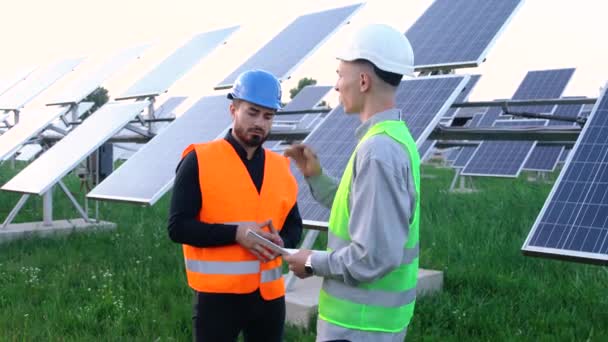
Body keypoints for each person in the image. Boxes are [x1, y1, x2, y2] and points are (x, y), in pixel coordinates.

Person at [284, 23, 420, 341]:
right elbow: (365, 213)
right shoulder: (390, 138)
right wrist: (316, 177)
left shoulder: (378, 149)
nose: (335, 86)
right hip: (367, 323)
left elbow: (373, 256)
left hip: (360, 326)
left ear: (362, 81)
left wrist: (312, 261)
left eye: (340, 75)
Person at [167, 69, 303, 342]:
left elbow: (294, 225)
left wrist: (282, 241)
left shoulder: (281, 167)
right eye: (252, 112)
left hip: (270, 298)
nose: (260, 123)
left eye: (268, 116)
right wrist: (235, 234)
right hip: (217, 301)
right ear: (233, 109)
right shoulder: (199, 160)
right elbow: (178, 227)